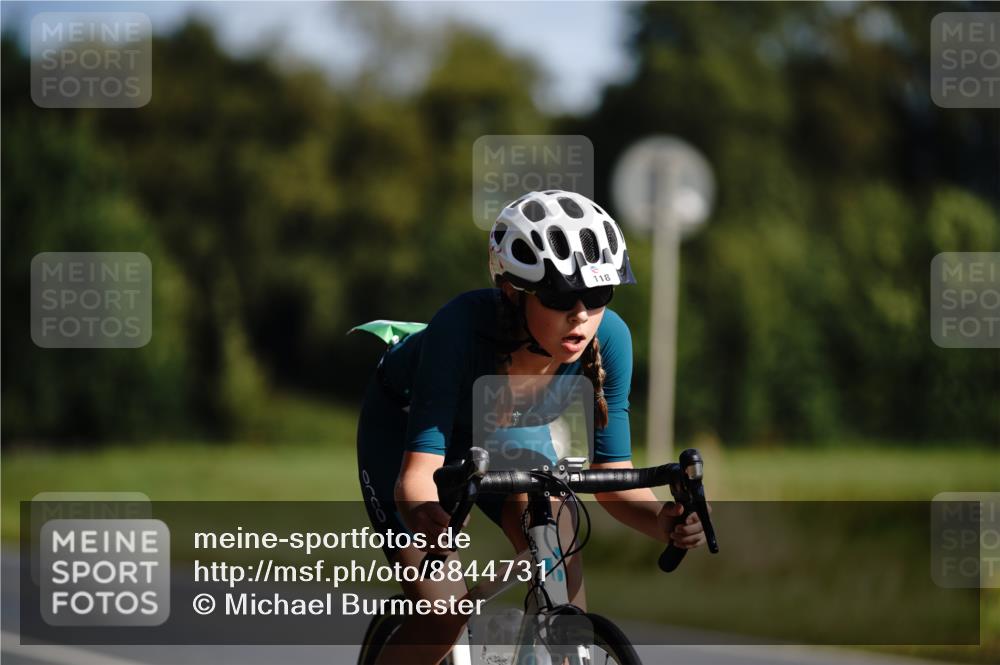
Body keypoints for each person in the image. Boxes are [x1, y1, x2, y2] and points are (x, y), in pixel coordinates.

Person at [355, 190, 709, 665]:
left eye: (599, 294)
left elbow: (613, 476)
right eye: (561, 295)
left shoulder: (611, 339)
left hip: (503, 432)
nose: (581, 314)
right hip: (404, 433)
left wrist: (661, 521)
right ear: (512, 291)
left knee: (560, 567)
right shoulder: (457, 330)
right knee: (444, 613)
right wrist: (424, 517)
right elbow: (417, 476)